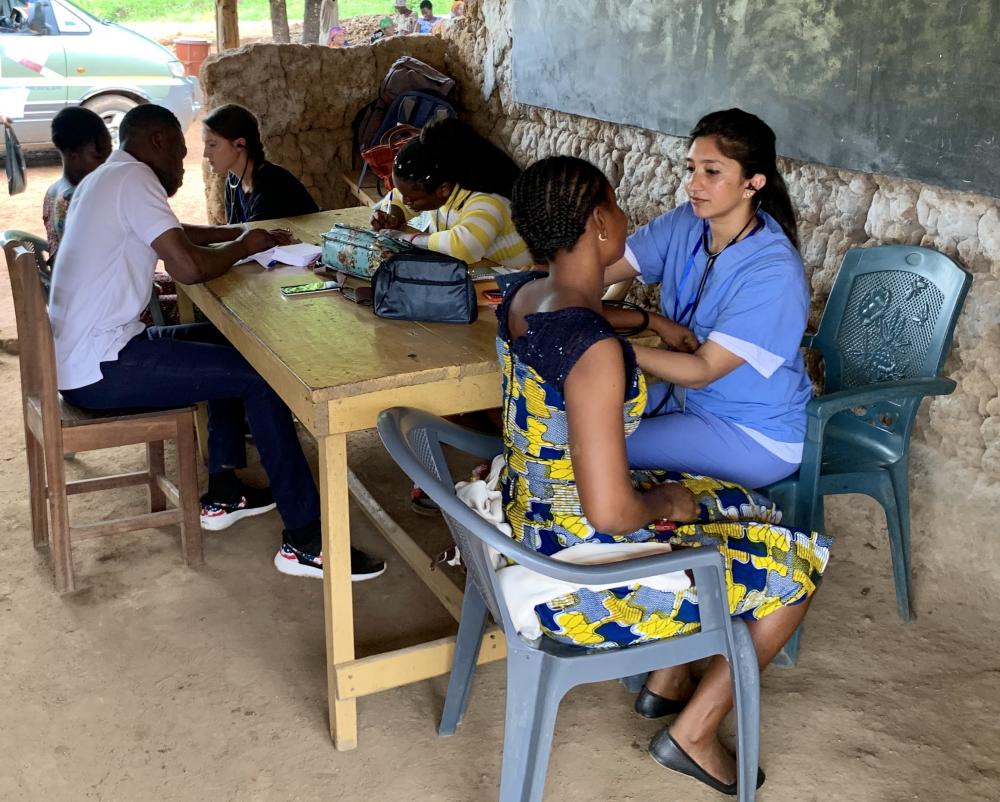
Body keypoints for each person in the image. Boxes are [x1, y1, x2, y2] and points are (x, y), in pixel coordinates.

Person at [501, 155, 830, 794]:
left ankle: (668, 679)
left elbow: (588, 319)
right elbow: (613, 513)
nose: (630, 217)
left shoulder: (526, 297)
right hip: (579, 571)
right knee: (799, 571)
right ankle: (694, 733)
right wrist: (665, 500)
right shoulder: (594, 355)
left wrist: (647, 320)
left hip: (528, 517)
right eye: (618, 205)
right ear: (600, 224)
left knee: (753, 508)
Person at [49, 104, 385, 582]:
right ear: (159, 141)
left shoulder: (110, 177)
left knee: (238, 348)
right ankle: (307, 541)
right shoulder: (134, 179)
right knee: (259, 377)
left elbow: (178, 234)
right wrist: (243, 247)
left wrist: (241, 234)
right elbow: (186, 267)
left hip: (94, 354)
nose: (185, 169)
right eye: (183, 153)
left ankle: (226, 490)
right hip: (105, 367)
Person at [602, 108, 812, 489]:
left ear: (753, 182)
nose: (693, 184)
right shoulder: (687, 222)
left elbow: (701, 372)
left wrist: (608, 347)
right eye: (691, 168)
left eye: (711, 171)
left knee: (587, 442)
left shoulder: (773, 271)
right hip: (689, 403)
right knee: (567, 414)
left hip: (750, 432)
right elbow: (605, 268)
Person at [369, 118, 533, 269]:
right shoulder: (441, 184)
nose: (405, 201)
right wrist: (393, 215)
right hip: (474, 275)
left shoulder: (487, 201)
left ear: (443, 189)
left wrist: (405, 238)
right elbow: (397, 196)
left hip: (514, 283)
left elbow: (463, 247)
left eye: (410, 198)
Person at [202, 103, 319, 225]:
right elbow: (234, 232)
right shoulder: (233, 181)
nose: (205, 154)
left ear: (239, 144)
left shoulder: (273, 187)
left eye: (212, 145)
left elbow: (252, 239)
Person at [42, 106, 112, 263]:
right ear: (72, 152)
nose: (106, 163)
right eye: (98, 155)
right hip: (89, 284)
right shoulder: (79, 197)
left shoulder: (53, 191)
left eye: (109, 154)